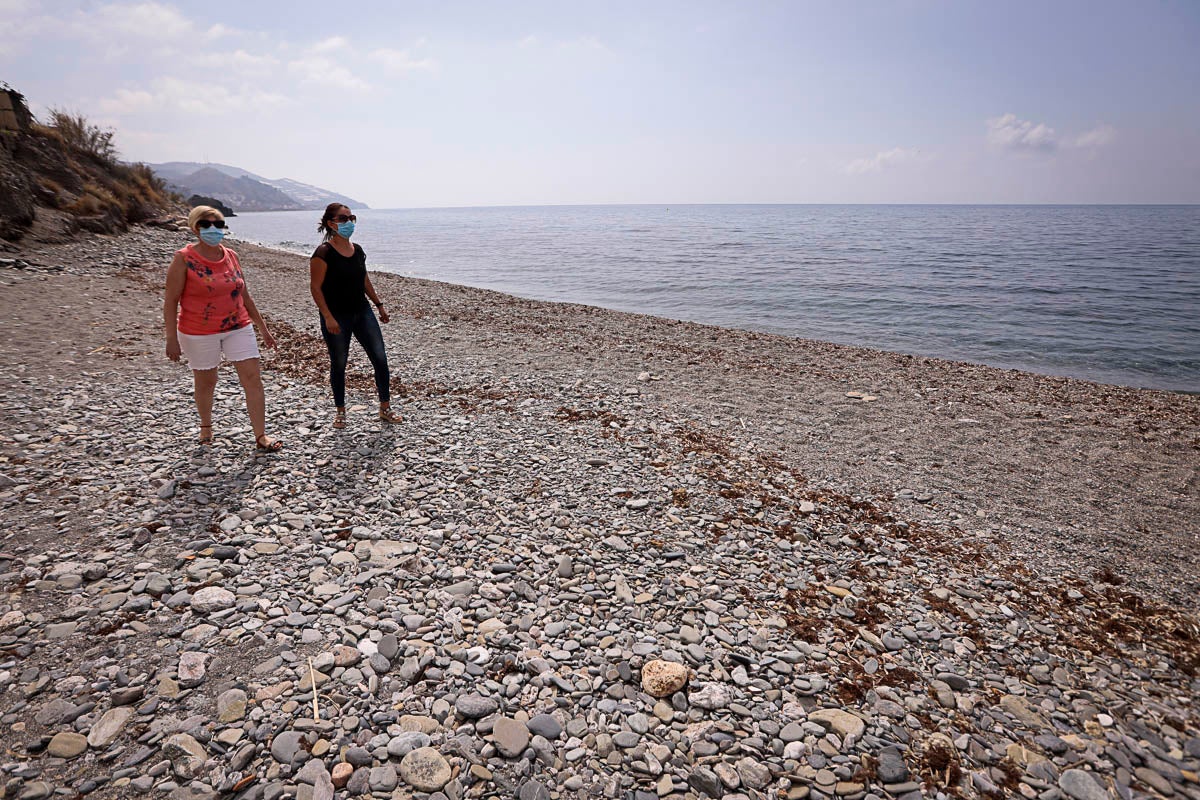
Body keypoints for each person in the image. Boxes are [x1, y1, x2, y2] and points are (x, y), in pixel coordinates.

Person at [163, 206, 282, 452]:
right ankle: (206, 425)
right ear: (195, 228)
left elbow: (245, 296)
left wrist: (263, 329)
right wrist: (171, 339)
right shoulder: (184, 258)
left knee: (253, 379)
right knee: (207, 381)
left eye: (218, 224)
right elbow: (171, 300)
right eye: (206, 225)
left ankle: (260, 435)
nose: (213, 229)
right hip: (198, 331)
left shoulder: (231, 255)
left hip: (238, 326)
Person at [310, 202, 400, 428]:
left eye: (351, 218)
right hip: (337, 316)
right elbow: (315, 288)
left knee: (380, 358)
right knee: (339, 363)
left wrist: (379, 305)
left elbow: (364, 279)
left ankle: (385, 408)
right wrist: (328, 317)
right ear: (331, 223)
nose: (349, 223)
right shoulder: (323, 253)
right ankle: (340, 411)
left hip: (363, 312)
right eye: (343, 219)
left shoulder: (357, 250)